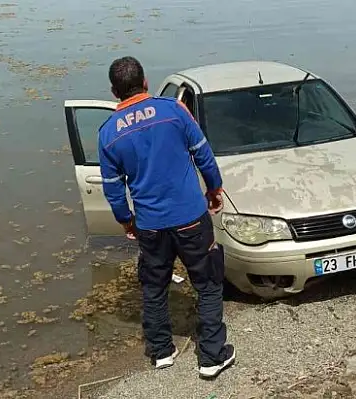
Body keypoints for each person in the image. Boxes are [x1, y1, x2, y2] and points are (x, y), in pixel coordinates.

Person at [96, 56, 235, 379]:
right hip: (190, 218)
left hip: (151, 225)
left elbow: (113, 190)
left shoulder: (107, 134)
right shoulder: (173, 110)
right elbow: (203, 153)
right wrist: (214, 190)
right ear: (145, 83)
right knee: (209, 283)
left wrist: (126, 221)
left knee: (154, 287)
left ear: (114, 92)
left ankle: (161, 352)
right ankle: (212, 356)